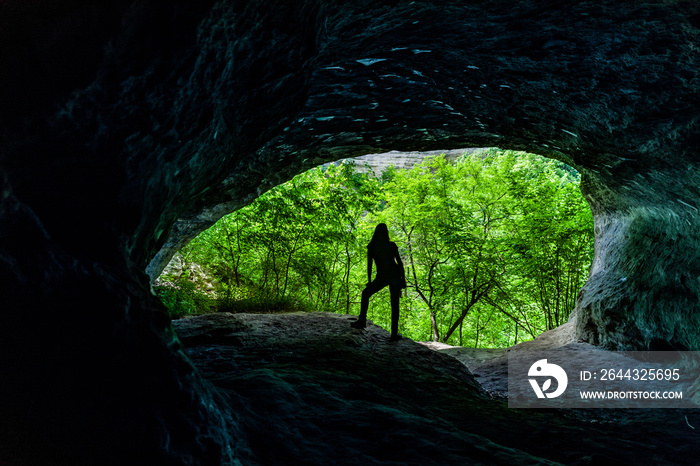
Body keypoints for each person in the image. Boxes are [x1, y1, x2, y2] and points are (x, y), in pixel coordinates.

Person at [350, 223, 406, 341]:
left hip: (382, 276)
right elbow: (400, 263)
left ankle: (362, 320)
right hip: (395, 275)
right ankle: (394, 334)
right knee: (395, 305)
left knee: (366, 293)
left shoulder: (372, 246)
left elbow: (369, 265)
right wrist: (403, 279)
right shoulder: (391, 245)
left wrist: (370, 281)